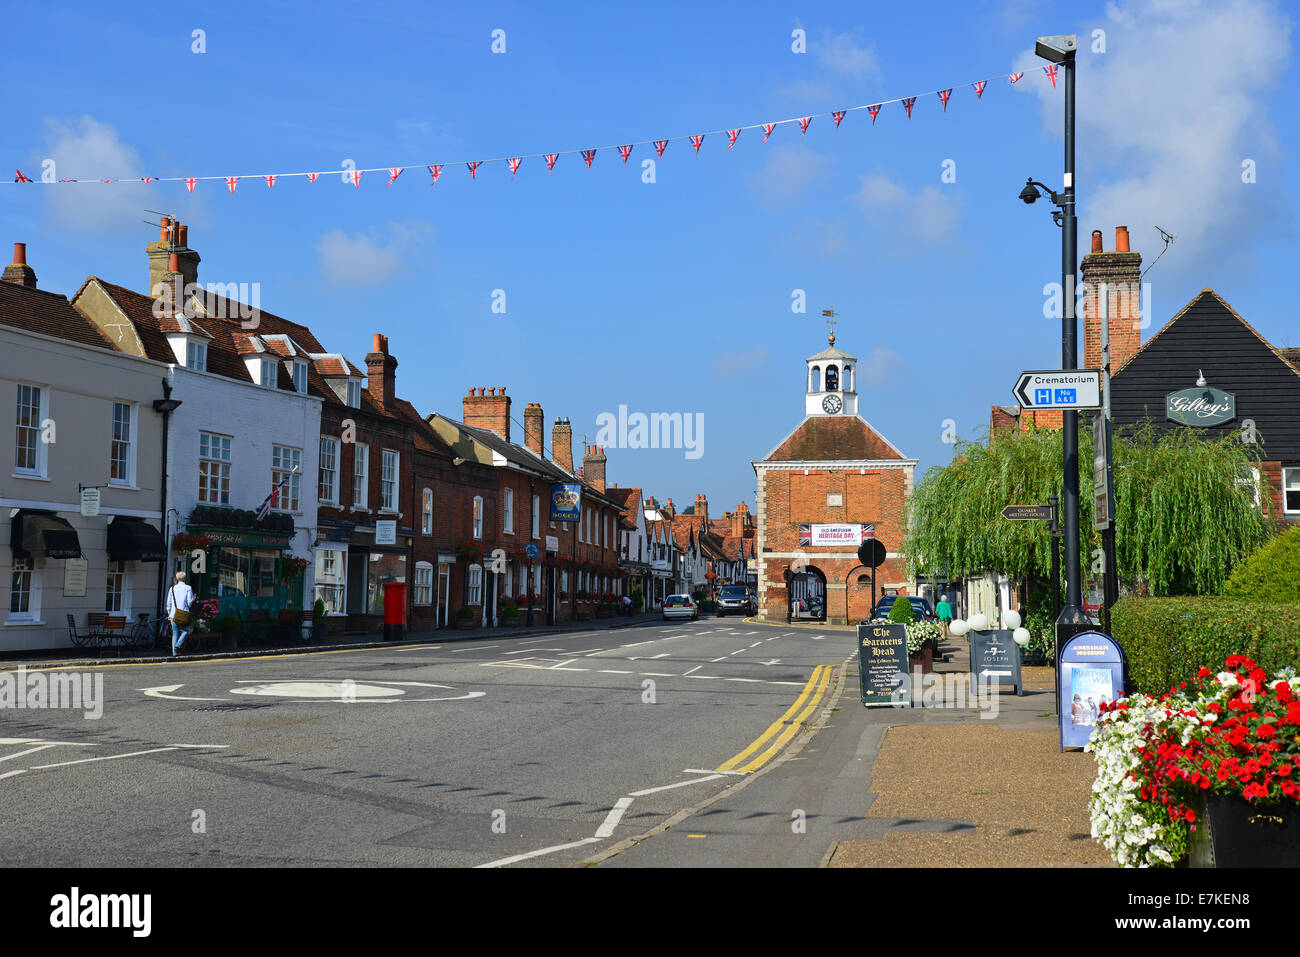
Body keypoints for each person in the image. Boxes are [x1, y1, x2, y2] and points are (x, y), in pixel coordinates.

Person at [165, 571, 195, 656]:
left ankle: (174, 653)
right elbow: (189, 603)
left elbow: (169, 603)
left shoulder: (172, 588)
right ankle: (178, 645)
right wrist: (193, 599)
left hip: (173, 614)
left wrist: (169, 613)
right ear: (185, 578)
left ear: (177, 579)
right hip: (184, 614)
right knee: (187, 630)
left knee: (175, 633)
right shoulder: (188, 588)